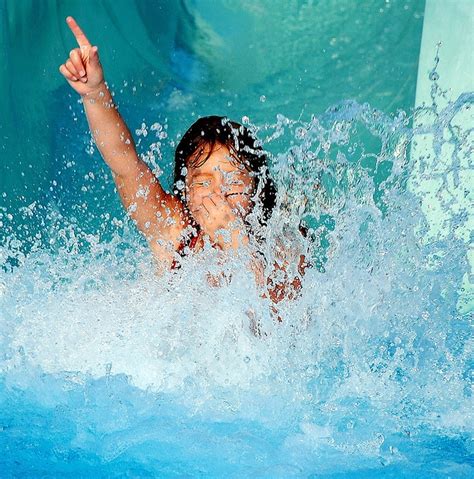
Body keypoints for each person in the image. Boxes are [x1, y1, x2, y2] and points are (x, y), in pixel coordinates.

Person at [59, 16, 308, 307]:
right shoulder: (172, 229)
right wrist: (94, 93)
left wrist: (237, 243)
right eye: (202, 181)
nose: (217, 193)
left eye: (232, 180)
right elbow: (124, 164)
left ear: (256, 187)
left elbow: (280, 324)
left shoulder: (284, 240)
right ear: (185, 191)